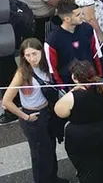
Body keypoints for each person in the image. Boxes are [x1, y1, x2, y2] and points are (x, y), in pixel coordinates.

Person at [2, 38, 65, 183]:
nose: (32, 58)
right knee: (40, 155)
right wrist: (25, 116)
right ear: (23, 56)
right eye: (28, 55)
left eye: (34, 54)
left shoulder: (46, 67)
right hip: (32, 115)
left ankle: (53, 178)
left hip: (47, 112)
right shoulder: (22, 73)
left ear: (41, 52)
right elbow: (6, 101)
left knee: (50, 149)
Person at [53, 61, 103, 183]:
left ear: (74, 78)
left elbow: (59, 112)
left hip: (83, 137)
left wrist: (72, 91)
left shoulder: (71, 97)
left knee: (88, 170)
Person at [45, 3, 102, 84]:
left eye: (81, 13)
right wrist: (62, 87)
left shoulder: (87, 29)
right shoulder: (52, 40)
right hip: (69, 83)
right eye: (78, 15)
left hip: (92, 79)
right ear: (67, 19)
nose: (82, 17)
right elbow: (52, 69)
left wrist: (100, 77)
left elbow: (97, 54)